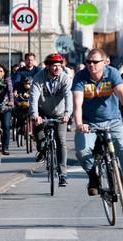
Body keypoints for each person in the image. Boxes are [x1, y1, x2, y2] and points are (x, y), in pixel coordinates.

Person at [72, 48, 123, 196]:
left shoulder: (112, 73)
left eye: (95, 62)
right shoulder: (80, 77)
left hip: (113, 121)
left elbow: (122, 95)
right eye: (88, 61)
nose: (91, 65)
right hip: (88, 123)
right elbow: (77, 104)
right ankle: (93, 177)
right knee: (82, 152)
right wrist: (79, 124)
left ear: (105, 62)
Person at [29, 53, 73, 187]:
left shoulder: (65, 78)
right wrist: (35, 114)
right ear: (48, 66)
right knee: (38, 134)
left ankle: (62, 174)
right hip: (42, 113)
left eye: (59, 66)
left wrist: (67, 114)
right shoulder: (38, 78)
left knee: (61, 141)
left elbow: (68, 97)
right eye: (54, 66)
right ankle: (42, 150)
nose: (57, 68)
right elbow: (33, 97)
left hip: (60, 114)